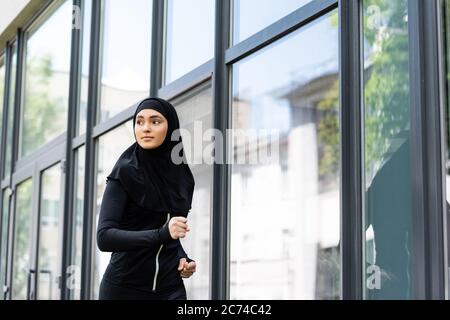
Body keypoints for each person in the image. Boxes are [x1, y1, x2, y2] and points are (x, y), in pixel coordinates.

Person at [97, 97, 196, 300]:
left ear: (171, 129)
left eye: (155, 121)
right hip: (124, 289)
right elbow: (104, 237)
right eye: (139, 122)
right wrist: (162, 234)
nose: (146, 128)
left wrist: (183, 260)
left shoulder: (182, 179)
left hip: (170, 290)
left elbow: (170, 238)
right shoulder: (124, 173)